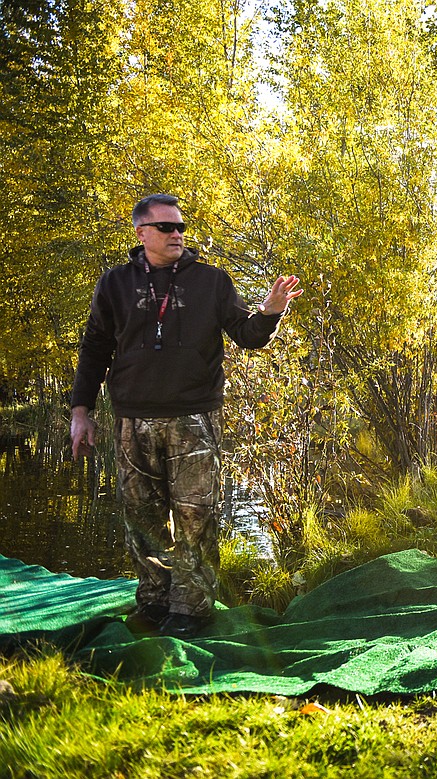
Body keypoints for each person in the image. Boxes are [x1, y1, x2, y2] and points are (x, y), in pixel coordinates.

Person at [69, 193, 302, 638]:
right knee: (142, 516)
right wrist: (81, 410)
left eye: (181, 228)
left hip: (193, 416)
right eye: (166, 228)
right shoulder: (115, 284)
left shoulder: (211, 281)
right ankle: (155, 602)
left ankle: (193, 609)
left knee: (196, 514)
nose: (177, 234)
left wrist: (271, 312)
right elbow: (95, 348)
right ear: (142, 233)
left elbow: (246, 336)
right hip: (132, 418)